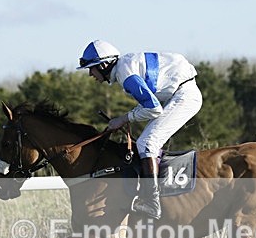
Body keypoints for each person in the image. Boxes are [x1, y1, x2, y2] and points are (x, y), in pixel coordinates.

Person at [77, 39, 202, 219]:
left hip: (184, 96)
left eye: (92, 68)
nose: (90, 74)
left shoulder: (125, 75)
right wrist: (125, 118)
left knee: (147, 142)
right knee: (146, 142)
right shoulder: (125, 67)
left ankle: (152, 203)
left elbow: (154, 108)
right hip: (178, 93)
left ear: (104, 65)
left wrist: (123, 119)